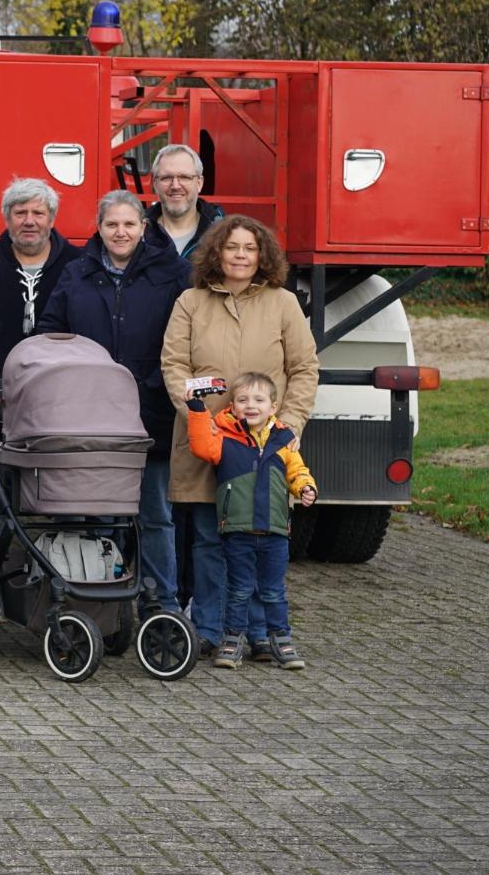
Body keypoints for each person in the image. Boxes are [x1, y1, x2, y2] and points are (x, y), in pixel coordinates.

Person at [160, 215, 318, 662]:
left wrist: (287, 426)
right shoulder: (190, 302)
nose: (241, 256)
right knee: (210, 541)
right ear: (217, 253)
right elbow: (173, 365)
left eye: (250, 248)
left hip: (263, 448)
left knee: (256, 540)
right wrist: (195, 414)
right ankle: (209, 630)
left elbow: (304, 369)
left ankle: (259, 635)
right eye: (233, 248)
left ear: (262, 255)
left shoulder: (283, 303)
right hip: (207, 441)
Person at [37, 189, 191, 611]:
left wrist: (152, 384)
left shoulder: (174, 272)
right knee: (99, 514)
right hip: (91, 417)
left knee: (155, 514)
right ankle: (105, 600)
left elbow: (186, 339)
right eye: (111, 224)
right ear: (99, 228)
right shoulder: (76, 272)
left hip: (151, 413)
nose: (120, 232)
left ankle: (163, 603)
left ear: (144, 226)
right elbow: (50, 332)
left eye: (128, 224)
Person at [182, 373, 317, 670]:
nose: (250, 406)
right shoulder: (225, 437)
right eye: (243, 400)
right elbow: (202, 446)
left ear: (273, 406)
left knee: (273, 591)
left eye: (258, 400)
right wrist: (196, 408)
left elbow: (297, 471)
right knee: (240, 589)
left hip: (276, 532)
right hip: (237, 531)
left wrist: (306, 488)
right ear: (233, 406)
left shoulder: (284, 441)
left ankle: (281, 640)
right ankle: (232, 640)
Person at [0, 178, 75, 373]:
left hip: (60, 384)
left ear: (52, 219)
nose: (29, 221)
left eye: (38, 213)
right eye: (20, 213)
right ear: (7, 218)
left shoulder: (75, 264)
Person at [143, 143, 224, 260]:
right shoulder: (137, 235)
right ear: (155, 184)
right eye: (166, 178)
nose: (175, 186)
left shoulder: (223, 234)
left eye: (185, 177)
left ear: (199, 183)